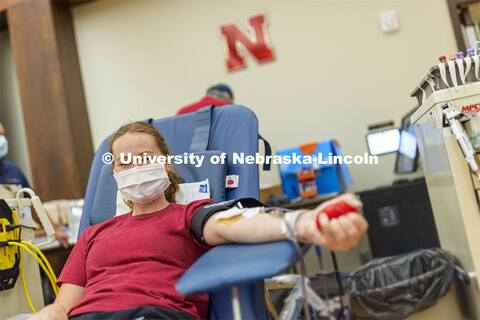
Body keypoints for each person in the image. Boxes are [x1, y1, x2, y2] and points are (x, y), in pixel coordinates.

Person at [31, 122, 368, 320]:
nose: (135, 168)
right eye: (124, 163)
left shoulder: (188, 215)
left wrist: (302, 223)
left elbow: (233, 224)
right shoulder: (93, 234)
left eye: (144, 158)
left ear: (166, 163)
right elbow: (62, 307)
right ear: (115, 173)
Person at [0, 122, 69, 249]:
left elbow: (33, 204)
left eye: (2, 135)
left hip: (19, 242)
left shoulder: (12, 170)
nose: (2, 140)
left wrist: (54, 231)